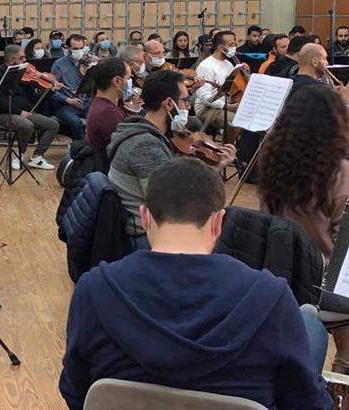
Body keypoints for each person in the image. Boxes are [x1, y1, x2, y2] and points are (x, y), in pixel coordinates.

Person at [61, 158, 332, 410]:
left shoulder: (94, 289)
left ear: (145, 217)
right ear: (219, 222)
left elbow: (77, 398)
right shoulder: (272, 297)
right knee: (309, 324)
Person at [256, 85, 349, 371]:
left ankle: (346, 355)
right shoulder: (340, 174)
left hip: (280, 272)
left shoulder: (272, 165)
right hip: (320, 286)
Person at [108, 70, 234, 250]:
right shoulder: (146, 146)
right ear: (168, 103)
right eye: (184, 101)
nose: (187, 107)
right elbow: (173, 205)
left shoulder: (143, 130)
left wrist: (218, 166)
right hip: (145, 236)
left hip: (151, 226)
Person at [0, 44, 60, 170]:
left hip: (25, 112)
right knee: (27, 125)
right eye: (22, 58)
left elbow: (33, 99)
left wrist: (50, 91)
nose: (25, 61)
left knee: (53, 125)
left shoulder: (23, 74)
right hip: (3, 113)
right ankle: (20, 155)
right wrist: (20, 112)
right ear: (11, 60)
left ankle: (37, 157)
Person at [194, 30, 246, 129]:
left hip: (227, 104)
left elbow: (233, 89)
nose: (234, 47)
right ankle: (226, 140)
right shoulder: (206, 66)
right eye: (231, 44)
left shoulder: (228, 64)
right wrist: (228, 106)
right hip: (207, 109)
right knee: (236, 123)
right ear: (221, 48)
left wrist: (244, 74)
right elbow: (205, 98)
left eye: (235, 44)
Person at [82, 58, 129, 162]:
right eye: (128, 78)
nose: (129, 83)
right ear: (117, 81)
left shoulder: (99, 103)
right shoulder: (108, 113)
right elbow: (124, 152)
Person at [49, 34, 91, 140]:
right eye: (75, 49)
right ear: (68, 48)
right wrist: (68, 100)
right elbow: (51, 90)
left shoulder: (90, 62)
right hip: (66, 105)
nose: (79, 51)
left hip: (86, 103)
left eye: (81, 48)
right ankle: (79, 146)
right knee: (75, 122)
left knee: (101, 117)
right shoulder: (59, 64)